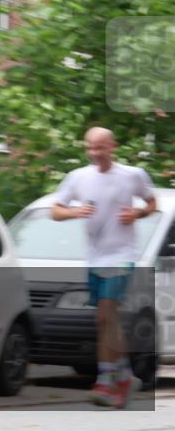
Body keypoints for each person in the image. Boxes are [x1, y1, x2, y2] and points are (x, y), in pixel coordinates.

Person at [52, 126, 156, 409]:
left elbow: (152, 203)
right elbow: (55, 210)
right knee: (103, 320)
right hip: (95, 257)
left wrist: (137, 213)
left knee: (108, 312)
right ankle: (123, 375)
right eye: (90, 148)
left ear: (112, 146)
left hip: (122, 255)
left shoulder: (132, 175)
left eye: (100, 147)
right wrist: (75, 212)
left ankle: (106, 380)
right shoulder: (78, 177)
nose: (95, 153)